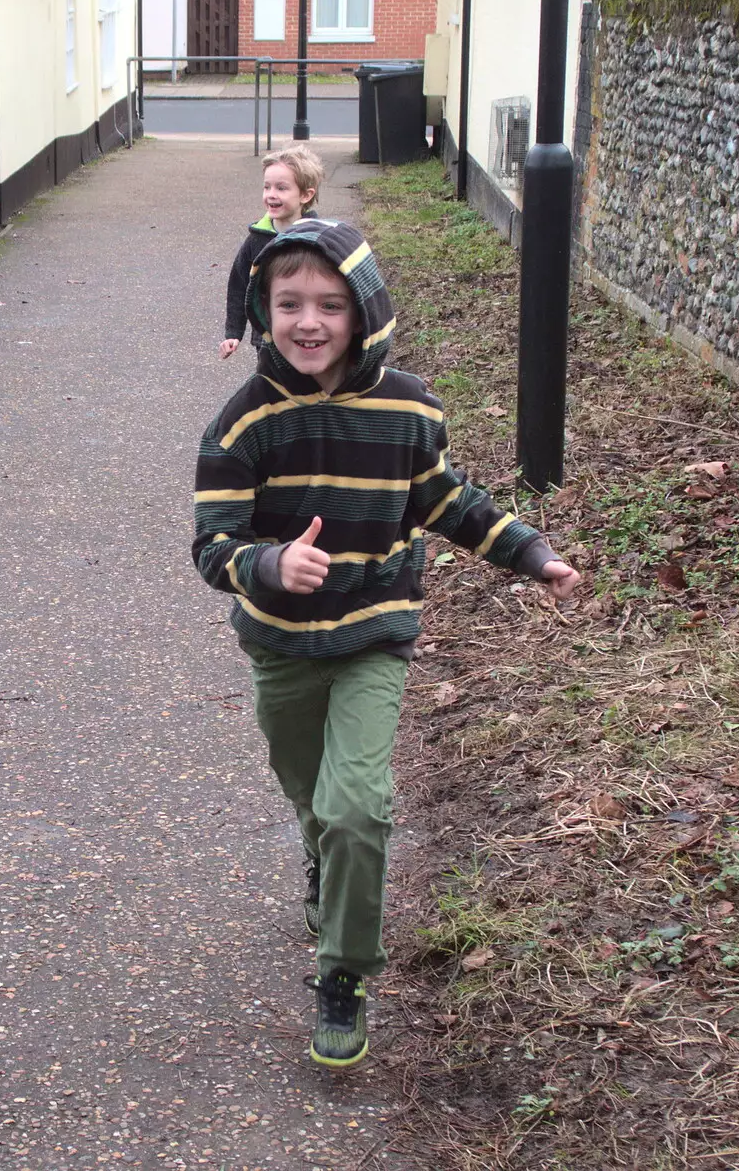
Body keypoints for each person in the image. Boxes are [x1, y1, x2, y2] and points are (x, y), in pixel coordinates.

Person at [192, 219, 582, 1068]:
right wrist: (266, 562)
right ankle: (324, 865)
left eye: (330, 304)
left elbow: (449, 501)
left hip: (374, 632)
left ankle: (343, 973)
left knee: (357, 805)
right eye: (289, 302)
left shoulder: (408, 405)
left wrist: (532, 553)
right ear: (263, 307)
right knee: (312, 797)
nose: (308, 322)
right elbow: (211, 545)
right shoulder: (242, 422)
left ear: (363, 311)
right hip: (282, 646)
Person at [219, 145, 325, 362]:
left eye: (281, 188)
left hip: (308, 335)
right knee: (271, 388)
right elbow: (239, 284)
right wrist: (233, 333)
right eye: (267, 187)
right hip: (267, 337)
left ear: (306, 194)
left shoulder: (319, 238)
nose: (271, 195)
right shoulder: (258, 239)